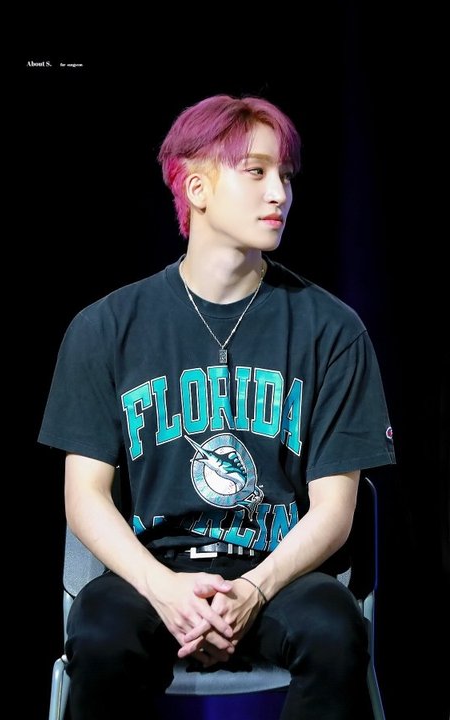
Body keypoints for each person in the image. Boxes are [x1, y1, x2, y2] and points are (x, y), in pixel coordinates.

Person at [39, 93, 396, 720]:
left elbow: (336, 508)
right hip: (151, 571)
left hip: (279, 573)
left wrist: (254, 588)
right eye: (256, 171)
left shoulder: (332, 330)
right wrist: (164, 588)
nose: (279, 193)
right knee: (98, 635)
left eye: (285, 175)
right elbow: (85, 496)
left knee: (335, 632)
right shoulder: (105, 328)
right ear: (196, 187)